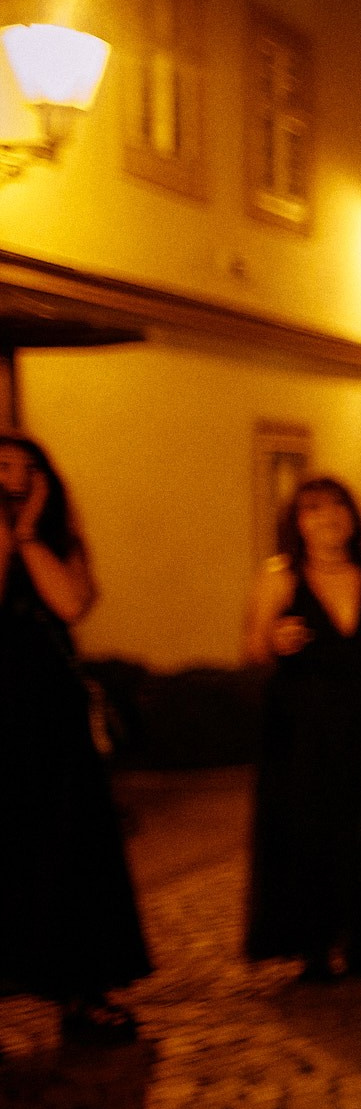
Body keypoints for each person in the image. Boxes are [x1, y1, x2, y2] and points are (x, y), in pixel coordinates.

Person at [0, 434, 150, 1045]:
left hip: (51, 708)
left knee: (73, 845)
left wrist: (31, 532)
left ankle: (83, 993)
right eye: (0, 466)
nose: (12, 478)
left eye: (25, 469)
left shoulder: (55, 538)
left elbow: (69, 601)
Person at [243, 478, 361, 982]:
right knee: (309, 826)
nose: (328, 519)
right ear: (296, 524)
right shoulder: (279, 577)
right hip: (304, 723)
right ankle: (313, 945)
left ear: (353, 515)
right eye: (313, 511)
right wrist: (275, 639)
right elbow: (252, 648)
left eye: (337, 507)